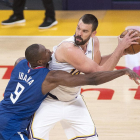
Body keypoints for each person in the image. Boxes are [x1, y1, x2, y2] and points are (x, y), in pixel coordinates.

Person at [29, 14, 140, 140]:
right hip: (50, 101)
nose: (79, 33)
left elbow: (99, 66)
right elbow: (97, 74)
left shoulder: (94, 42)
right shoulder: (68, 48)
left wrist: (122, 52)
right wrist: (119, 49)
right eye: (78, 28)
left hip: (74, 100)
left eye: (85, 31)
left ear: (93, 33)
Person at [1, 44, 138, 140]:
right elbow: (92, 79)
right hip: (12, 126)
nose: (50, 51)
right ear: (40, 61)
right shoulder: (50, 77)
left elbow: (22, 60)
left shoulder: (20, 63)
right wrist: (123, 71)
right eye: (46, 51)